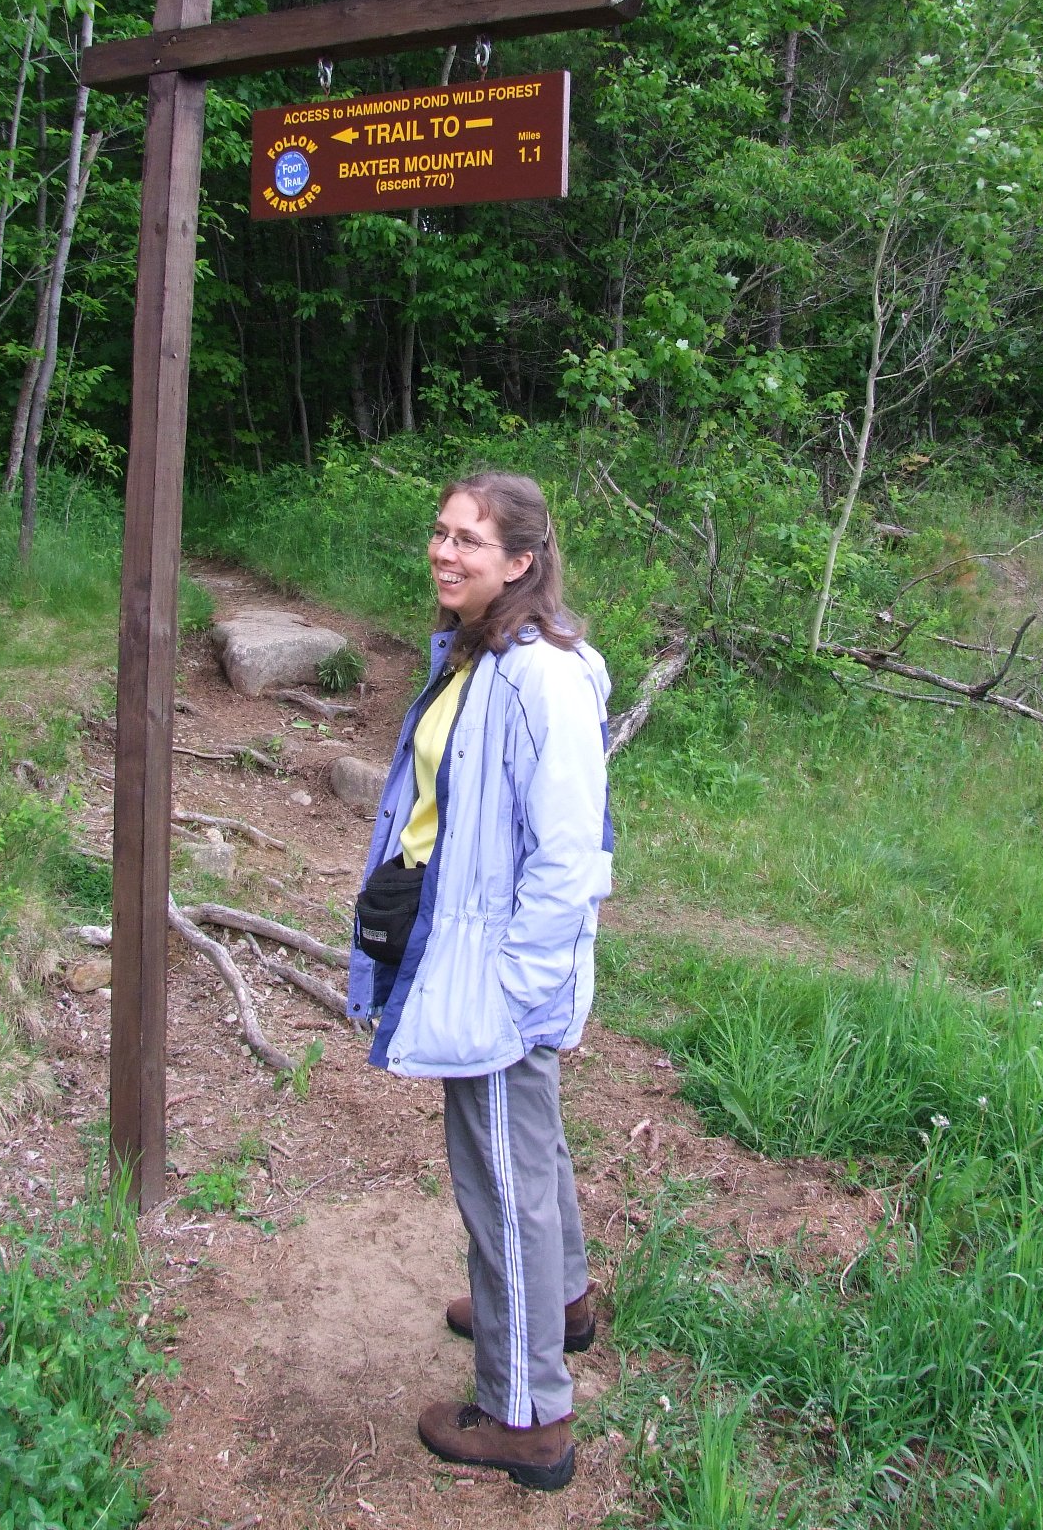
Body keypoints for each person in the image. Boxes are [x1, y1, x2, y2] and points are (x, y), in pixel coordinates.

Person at [346, 470, 613, 1494]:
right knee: (527, 1149)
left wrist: (515, 990)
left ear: (521, 562)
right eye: (441, 532)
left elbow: (570, 857)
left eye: (469, 540)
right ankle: (561, 1306)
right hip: (467, 947)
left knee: (501, 1180)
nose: (444, 552)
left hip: (497, 971)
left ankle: (527, 1415)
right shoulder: (479, 652)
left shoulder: (541, 677)